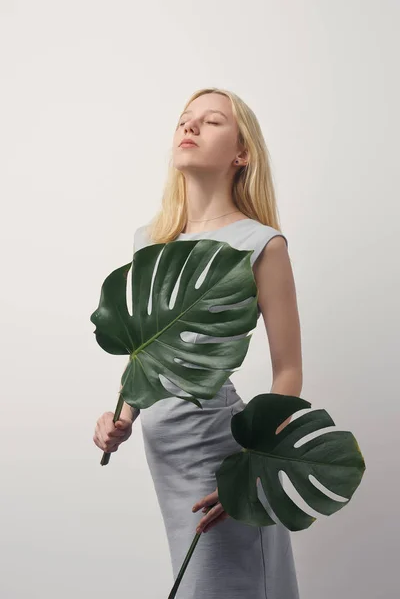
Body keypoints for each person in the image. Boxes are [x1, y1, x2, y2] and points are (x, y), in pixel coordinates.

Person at [93, 87, 303, 598]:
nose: (189, 127)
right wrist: (122, 415)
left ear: (241, 153)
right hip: (166, 457)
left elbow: (289, 371)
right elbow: (151, 350)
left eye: (210, 122)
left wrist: (251, 471)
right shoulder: (152, 240)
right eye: (184, 120)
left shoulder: (261, 243)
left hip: (221, 454)